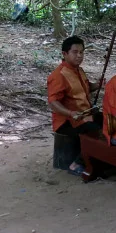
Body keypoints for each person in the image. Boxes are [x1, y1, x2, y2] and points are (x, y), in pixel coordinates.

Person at [47, 36, 102, 175]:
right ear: (64, 54)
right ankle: (76, 164)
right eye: (75, 52)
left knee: (107, 120)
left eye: (81, 52)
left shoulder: (79, 70)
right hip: (66, 122)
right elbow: (53, 103)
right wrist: (71, 113)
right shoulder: (59, 75)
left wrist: (97, 85)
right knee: (95, 131)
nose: (79, 55)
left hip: (84, 115)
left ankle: (100, 158)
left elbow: (84, 88)